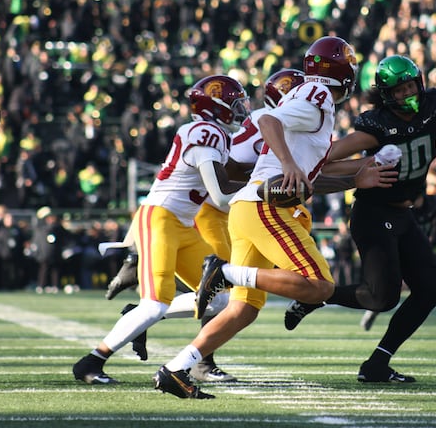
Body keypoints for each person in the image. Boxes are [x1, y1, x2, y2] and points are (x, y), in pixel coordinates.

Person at [152, 36, 398, 399]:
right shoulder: (317, 96)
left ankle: (175, 368)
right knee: (319, 286)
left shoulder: (316, 104)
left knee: (243, 310)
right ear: (344, 72)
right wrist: (285, 162)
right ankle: (225, 272)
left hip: (250, 210)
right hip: (263, 208)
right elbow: (266, 117)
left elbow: (313, 173)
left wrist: (358, 175)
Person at [283, 54, 436, 383]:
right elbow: (324, 159)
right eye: (398, 91)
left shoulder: (433, 106)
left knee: (428, 291)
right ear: (385, 94)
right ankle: (317, 295)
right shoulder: (377, 126)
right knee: (381, 298)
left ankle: (376, 364)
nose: (406, 94)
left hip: (404, 214)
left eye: (410, 86)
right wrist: (356, 170)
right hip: (373, 212)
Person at [101, 69, 307, 383]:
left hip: (229, 209)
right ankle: (201, 362)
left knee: (227, 292)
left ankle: (148, 320)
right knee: (233, 288)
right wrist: (264, 186)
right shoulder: (263, 123)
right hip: (216, 210)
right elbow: (224, 177)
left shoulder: (275, 126)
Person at [72, 74, 250, 385]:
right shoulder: (205, 132)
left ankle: (135, 317)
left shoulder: (216, 134)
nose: (240, 110)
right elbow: (221, 197)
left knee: (219, 297)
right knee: (155, 304)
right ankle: (91, 361)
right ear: (216, 107)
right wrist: (261, 192)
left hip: (182, 223)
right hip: (161, 219)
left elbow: (219, 194)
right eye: (234, 104)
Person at [359, 193, 436, 334]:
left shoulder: (433, 204)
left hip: (424, 250)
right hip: (403, 251)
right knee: (399, 286)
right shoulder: (400, 207)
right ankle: (377, 306)